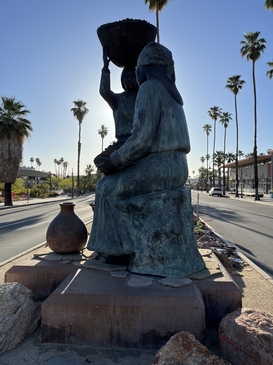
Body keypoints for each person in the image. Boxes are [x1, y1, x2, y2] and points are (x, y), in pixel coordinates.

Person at [88, 42, 205, 277]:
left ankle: (117, 251)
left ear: (143, 69)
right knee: (110, 184)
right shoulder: (173, 96)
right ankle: (125, 246)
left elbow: (141, 139)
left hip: (159, 167)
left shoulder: (150, 89)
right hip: (177, 167)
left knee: (105, 187)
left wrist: (116, 161)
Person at [94, 47, 139, 168]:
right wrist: (105, 68)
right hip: (121, 143)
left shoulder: (143, 97)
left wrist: (146, 62)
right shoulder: (117, 100)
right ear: (122, 80)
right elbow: (104, 91)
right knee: (100, 161)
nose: (129, 79)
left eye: (132, 76)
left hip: (139, 142)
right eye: (126, 77)